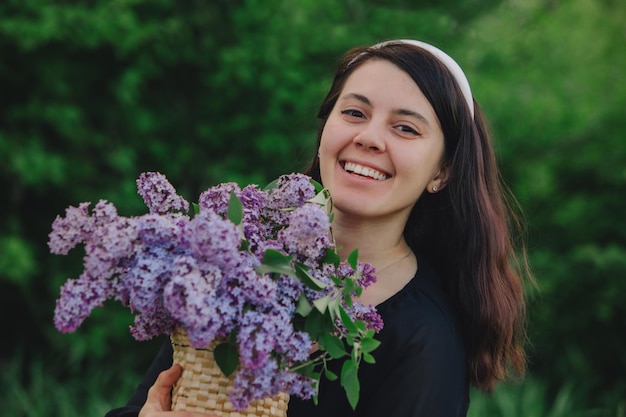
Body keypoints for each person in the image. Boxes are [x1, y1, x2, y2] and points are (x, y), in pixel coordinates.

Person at [105, 39, 530, 417]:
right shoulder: (240, 267)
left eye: (405, 127)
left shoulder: (424, 340)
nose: (369, 137)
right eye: (354, 112)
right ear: (325, 128)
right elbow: (145, 401)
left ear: (443, 170)